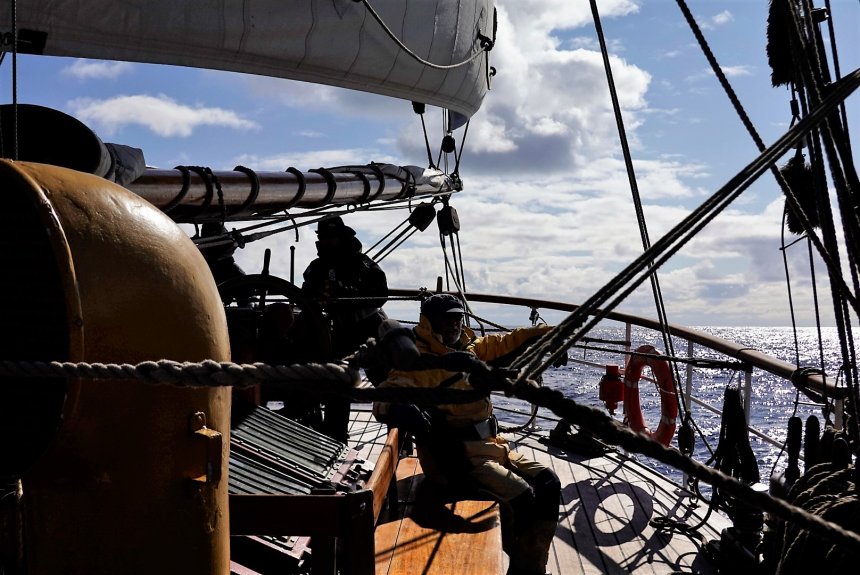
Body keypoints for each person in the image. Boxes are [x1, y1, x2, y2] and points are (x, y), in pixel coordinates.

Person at [373, 294, 562, 575]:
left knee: (549, 483)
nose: (454, 324)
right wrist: (400, 409)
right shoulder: (419, 361)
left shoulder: (471, 351)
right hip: (457, 460)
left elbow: (511, 340)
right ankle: (523, 570)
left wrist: (551, 337)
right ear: (427, 322)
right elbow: (385, 395)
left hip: (494, 447)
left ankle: (532, 567)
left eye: (457, 318)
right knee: (521, 498)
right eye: (445, 318)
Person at [302, 215, 389, 441]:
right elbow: (306, 293)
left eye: (331, 237)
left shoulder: (363, 264)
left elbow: (381, 294)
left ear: (342, 237)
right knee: (337, 380)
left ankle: (398, 429)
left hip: (369, 325)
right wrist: (317, 295)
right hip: (339, 329)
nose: (327, 241)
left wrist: (348, 293)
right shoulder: (317, 267)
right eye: (324, 237)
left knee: (385, 379)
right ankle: (335, 434)